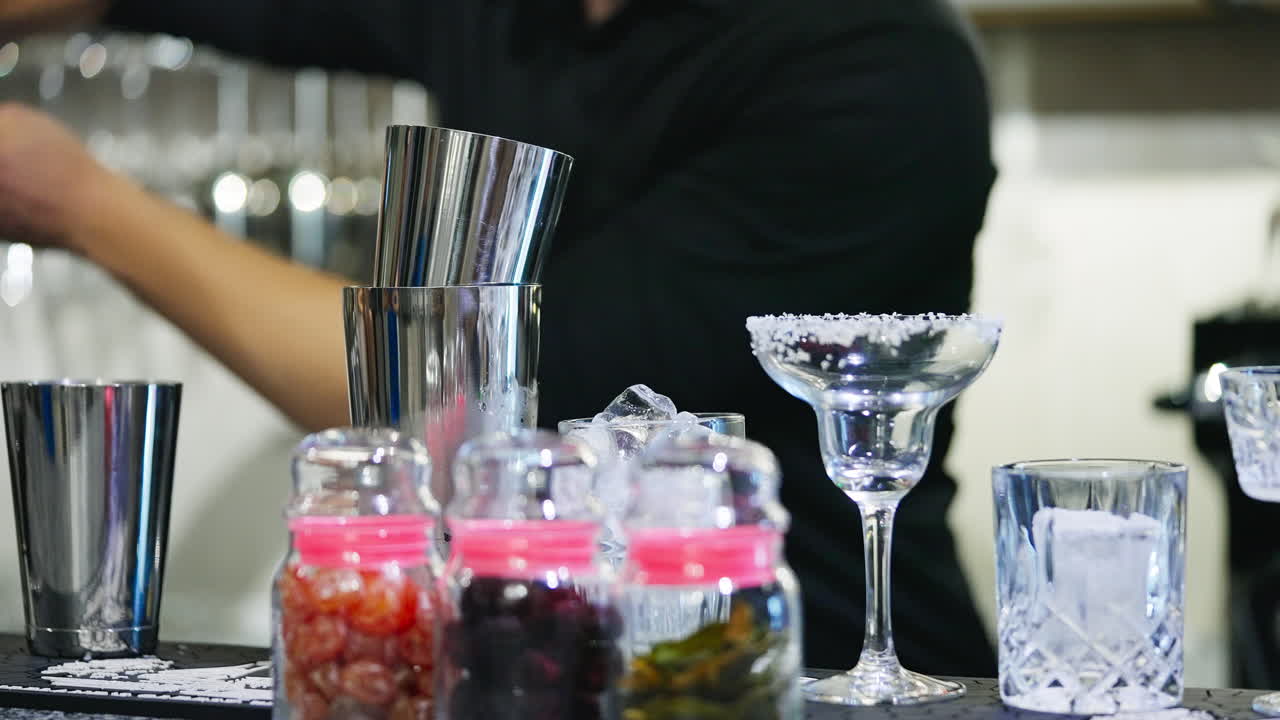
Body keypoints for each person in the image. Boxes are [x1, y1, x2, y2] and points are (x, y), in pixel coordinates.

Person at [0, 0, 998, 675]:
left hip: (785, 666)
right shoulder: (527, 13)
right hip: (535, 660)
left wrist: (75, 200)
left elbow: (462, 405)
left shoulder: (876, 68)